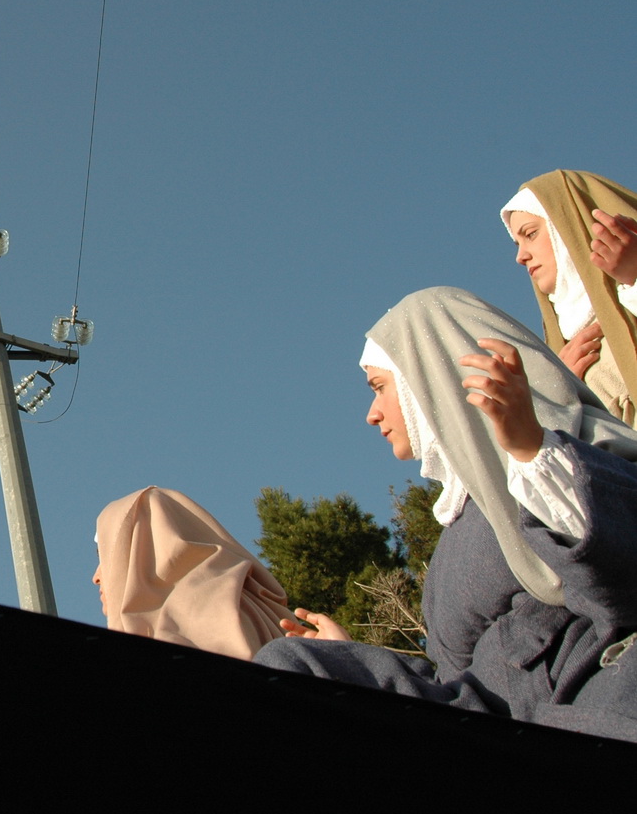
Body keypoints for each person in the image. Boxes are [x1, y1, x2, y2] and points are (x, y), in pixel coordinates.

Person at [254, 287, 637, 740]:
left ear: (432, 377)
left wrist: (530, 449)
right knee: (293, 667)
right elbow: (455, 681)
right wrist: (353, 657)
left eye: (379, 387)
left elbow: (621, 574)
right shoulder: (459, 519)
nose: (371, 415)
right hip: (485, 711)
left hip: (582, 698)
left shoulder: (565, 456)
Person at [501, 170, 637, 425]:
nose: (521, 257)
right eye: (517, 243)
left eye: (530, 234)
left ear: (569, 227)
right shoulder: (561, 354)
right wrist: (559, 393)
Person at [93, 486, 290, 659]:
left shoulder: (197, 610)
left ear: (144, 548)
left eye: (104, 555)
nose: (96, 577)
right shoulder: (240, 600)